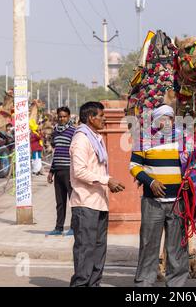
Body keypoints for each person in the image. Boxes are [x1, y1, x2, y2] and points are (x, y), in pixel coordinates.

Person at [129, 105, 189, 287]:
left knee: (177, 247)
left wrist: (188, 179)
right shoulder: (143, 139)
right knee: (149, 245)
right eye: (163, 118)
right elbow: (134, 167)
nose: (167, 121)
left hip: (177, 202)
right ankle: (144, 284)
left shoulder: (183, 140)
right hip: (152, 202)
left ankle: (176, 285)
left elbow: (193, 165)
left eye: (170, 118)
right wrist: (151, 182)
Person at [69, 101, 125, 287]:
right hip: (85, 202)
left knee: (99, 249)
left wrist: (106, 181)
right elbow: (80, 171)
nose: (104, 119)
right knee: (86, 249)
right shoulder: (81, 140)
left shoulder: (96, 138)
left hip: (99, 201)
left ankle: (94, 283)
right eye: (101, 116)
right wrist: (107, 180)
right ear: (91, 118)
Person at [46, 107, 76, 236]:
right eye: (60, 116)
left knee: (73, 200)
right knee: (60, 202)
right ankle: (59, 228)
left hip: (69, 170)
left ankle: (74, 227)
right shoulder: (55, 132)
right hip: (58, 170)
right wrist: (51, 171)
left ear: (69, 117)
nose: (62, 119)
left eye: (64, 116)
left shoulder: (73, 132)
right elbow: (56, 152)